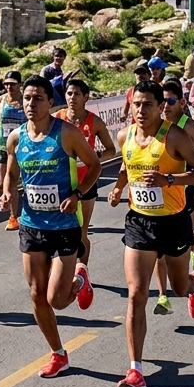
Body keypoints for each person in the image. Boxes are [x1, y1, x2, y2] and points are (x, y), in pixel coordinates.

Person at [108, 81, 194, 387]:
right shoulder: (124, 136)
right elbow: (127, 166)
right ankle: (135, 370)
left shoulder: (174, 136)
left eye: (147, 105)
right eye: (136, 104)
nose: (141, 110)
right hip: (139, 222)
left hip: (173, 222)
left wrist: (169, 179)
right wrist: (118, 187)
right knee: (137, 292)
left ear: (159, 106)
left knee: (178, 288)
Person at [0, 76, 101, 378]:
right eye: (27, 98)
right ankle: (58, 354)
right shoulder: (16, 138)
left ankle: (80, 280)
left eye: (38, 98)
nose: (30, 104)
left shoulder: (66, 134)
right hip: (31, 225)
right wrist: (7, 192)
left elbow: (95, 165)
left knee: (56, 299)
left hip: (64, 224)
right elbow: (10, 173)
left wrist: (78, 194)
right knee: (36, 294)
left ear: (50, 102)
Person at [153, 79, 194, 314]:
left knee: (180, 247)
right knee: (158, 248)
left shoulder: (189, 128)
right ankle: (162, 296)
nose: (166, 106)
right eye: (163, 101)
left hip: (184, 191)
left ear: (181, 102)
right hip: (158, 194)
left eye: (170, 101)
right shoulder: (154, 128)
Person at [55, 79, 116, 278]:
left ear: (86, 97)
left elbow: (111, 150)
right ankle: (64, 271)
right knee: (61, 232)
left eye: (76, 94)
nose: (72, 98)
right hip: (62, 183)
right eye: (69, 93)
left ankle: (82, 272)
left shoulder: (95, 122)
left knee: (81, 231)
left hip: (86, 182)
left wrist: (95, 157)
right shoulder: (58, 118)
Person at [0, 70, 27, 232]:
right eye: (6, 84)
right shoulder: (0, 100)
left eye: (12, 84)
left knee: (24, 182)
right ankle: (13, 216)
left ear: (20, 84)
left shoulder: (25, 101)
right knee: (2, 183)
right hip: (2, 147)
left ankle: (16, 216)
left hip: (22, 147)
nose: (9, 87)